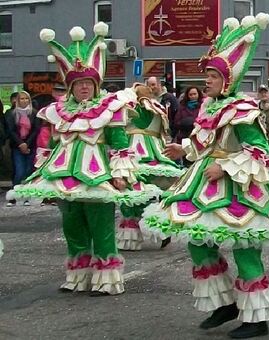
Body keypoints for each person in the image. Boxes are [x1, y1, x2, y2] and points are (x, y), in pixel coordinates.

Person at [142, 14, 269, 338]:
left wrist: (226, 167)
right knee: (197, 242)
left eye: (213, 76)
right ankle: (226, 302)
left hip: (238, 186)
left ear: (227, 80)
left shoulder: (243, 110)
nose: (207, 81)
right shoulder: (210, 108)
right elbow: (205, 143)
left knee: (243, 246)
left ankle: (256, 320)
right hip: (203, 182)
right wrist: (184, 149)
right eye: (208, 76)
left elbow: (260, 152)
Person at [11, 22, 160, 296]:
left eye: (88, 84)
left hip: (99, 177)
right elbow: (51, 144)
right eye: (78, 84)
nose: (83, 88)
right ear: (71, 86)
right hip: (64, 177)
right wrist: (42, 174)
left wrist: (120, 174)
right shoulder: (57, 111)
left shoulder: (109, 109)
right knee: (72, 226)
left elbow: (119, 144)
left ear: (96, 84)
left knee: (101, 226)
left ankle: (107, 279)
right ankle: (78, 275)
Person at [115, 84, 183, 251]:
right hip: (155, 153)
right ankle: (159, 226)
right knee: (151, 191)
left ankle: (132, 236)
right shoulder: (158, 108)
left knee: (131, 192)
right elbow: (163, 131)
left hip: (132, 153)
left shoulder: (128, 108)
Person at [5, 91, 38, 207]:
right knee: (19, 171)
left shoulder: (34, 113)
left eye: (26, 99)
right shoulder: (11, 114)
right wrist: (21, 144)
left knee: (28, 171)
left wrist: (27, 144)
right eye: (21, 99)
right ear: (17, 101)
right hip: (17, 147)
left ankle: (26, 197)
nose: (24, 101)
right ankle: (13, 197)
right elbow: (11, 130)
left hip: (31, 146)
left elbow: (35, 130)